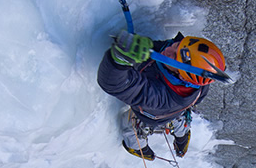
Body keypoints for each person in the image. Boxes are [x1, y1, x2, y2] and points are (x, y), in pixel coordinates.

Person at [97, 30, 227, 160]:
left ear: (182, 75)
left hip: (152, 113)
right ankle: (181, 138)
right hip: (174, 110)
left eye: (174, 58)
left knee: (130, 126)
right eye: (177, 45)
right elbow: (169, 48)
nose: (169, 50)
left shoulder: (161, 99)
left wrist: (120, 59)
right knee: (179, 120)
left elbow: (115, 84)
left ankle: (139, 148)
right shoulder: (196, 77)